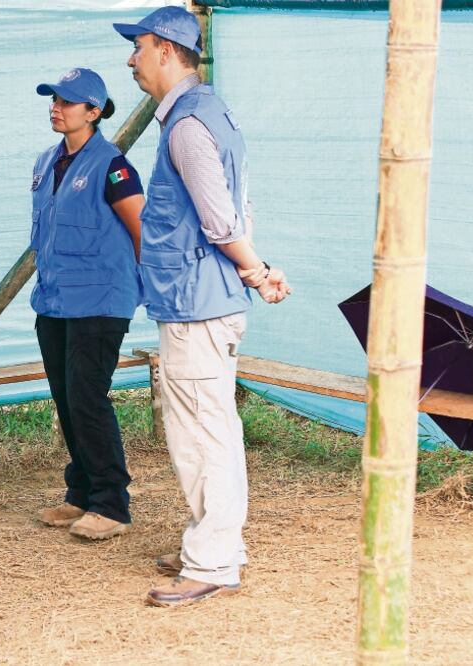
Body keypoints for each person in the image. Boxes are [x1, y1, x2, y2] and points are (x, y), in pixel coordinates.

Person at [113, 8, 291, 606]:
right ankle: (211, 543)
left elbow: (219, 219)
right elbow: (239, 206)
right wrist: (256, 268)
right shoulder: (210, 113)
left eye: (137, 48)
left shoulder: (187, 125)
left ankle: (212, 563)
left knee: (204, 433)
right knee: (200, 427)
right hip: (200, 300)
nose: (131, 60)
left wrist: (255, 269)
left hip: (198, 305)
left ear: (166, 50)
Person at [30, 68, 145, 541]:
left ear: (94, 112)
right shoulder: (45, 161)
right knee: (66, 397)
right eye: (54, 99)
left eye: (68, 102)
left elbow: (141, 229)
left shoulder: (112, 165)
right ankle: (80, 492)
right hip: (55, 300)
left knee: (87, 396)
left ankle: (111, 504)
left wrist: (148, 291)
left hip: (100, 299)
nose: (56, 107)